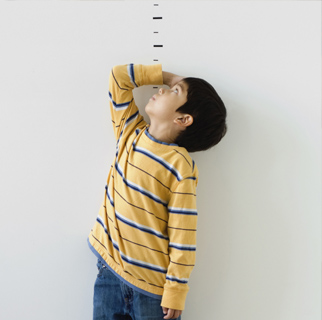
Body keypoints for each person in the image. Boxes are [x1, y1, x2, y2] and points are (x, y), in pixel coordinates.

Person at [87, 63, 227, 320]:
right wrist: (172, 77)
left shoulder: (179, 165)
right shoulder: (129, 132)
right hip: (109, 271)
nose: (162, 90)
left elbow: (183, 234)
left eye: (174, 92)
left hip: (152, 291)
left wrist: (176, 289)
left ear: (183, 119)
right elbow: (118, 78)